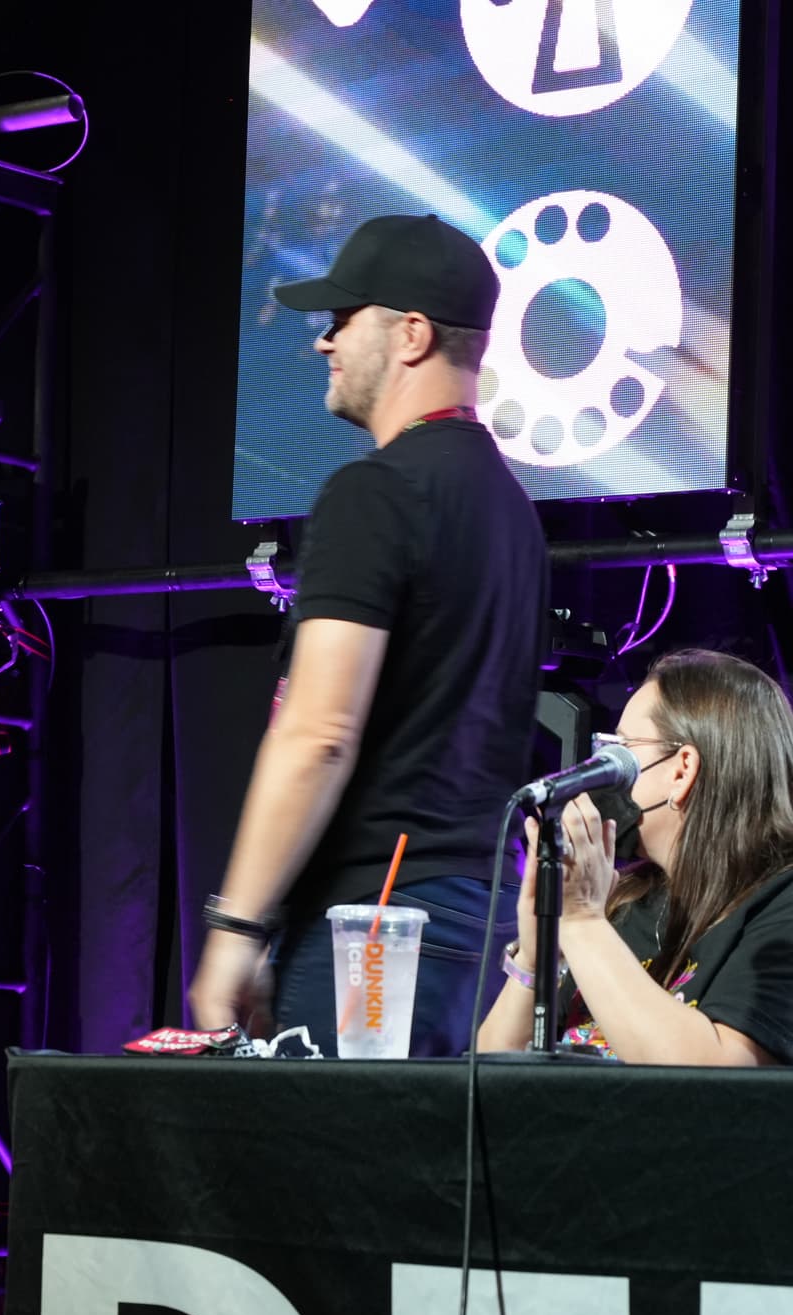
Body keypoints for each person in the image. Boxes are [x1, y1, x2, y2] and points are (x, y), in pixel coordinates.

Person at [187, 214, 552, 1057]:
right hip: (477, 919)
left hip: (376, 926)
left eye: (343, 317)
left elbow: (318, 733)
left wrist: (236, 927)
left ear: (412, 334)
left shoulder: (373, 493)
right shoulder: (512, 510)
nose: (324, 342)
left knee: (332, 1185)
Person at [477, 650, 792, 1064]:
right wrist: (537, 958)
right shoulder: (625, 900)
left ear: (682, 771)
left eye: (622, 750)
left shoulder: (780, 907)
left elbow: (717, 1082)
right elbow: (489, 1079)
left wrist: (582, 922)